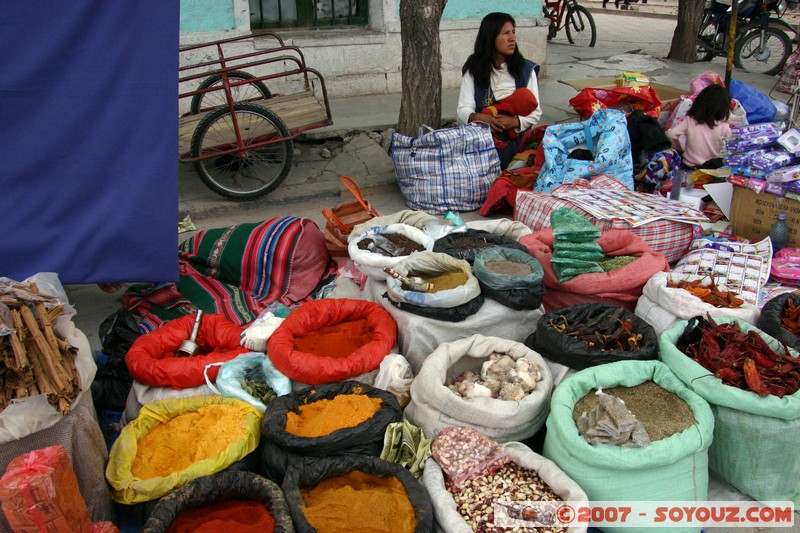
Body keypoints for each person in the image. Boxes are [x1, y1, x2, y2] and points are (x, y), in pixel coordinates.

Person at [457, 12, 542, 169]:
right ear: (491, 37)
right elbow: (463, 108)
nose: (512, 38)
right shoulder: (474, 69)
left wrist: (515, 122)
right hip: (483, 138)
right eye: (505, 33)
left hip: (517, 138)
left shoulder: (525, 70)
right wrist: (478, 117)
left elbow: (535, 112)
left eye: (513, 32)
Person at [666, 84, 732, 169]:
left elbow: (670, 134)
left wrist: (681, 147)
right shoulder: (725, 127)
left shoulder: (690, 120)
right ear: (724, 108)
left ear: (699, 102)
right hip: (711, 169)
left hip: (688, 166)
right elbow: (730, 150)